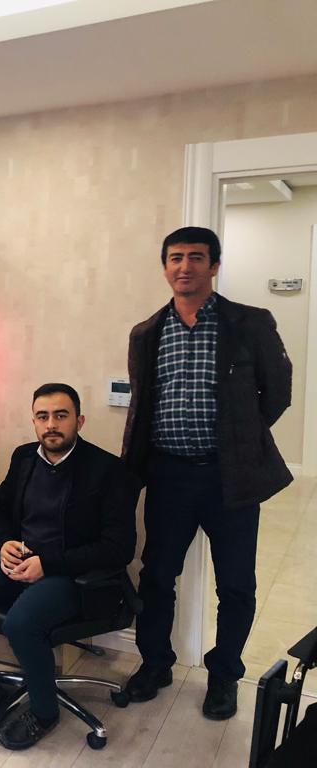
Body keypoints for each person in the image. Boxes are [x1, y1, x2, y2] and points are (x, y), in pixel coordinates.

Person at [122, 226, 293, 720]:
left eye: (196, 257)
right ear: (165, 267)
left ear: (214, 266)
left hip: (229, 478)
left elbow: (277, 393)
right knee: (157, 576)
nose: (185, 266)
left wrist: (241, 438)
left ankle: (224, 674)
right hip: (168, 476)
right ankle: (156, 663)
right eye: (175, 257)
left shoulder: (249, 323)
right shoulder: (146, 333)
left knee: (236, 583)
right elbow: (143, 402)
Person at [0, 384, 137, 750]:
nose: (51, 424)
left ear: (79, 421)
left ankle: (44, 713)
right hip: (20, 560)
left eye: (61, 416)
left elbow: (119, 548)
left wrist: (48, 563)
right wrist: (4, 542)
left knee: (20, 623)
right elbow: (0, 507)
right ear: (34, 421)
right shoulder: (25, 456)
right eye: (43, 416)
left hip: (71, 574)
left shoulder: (107, 470)